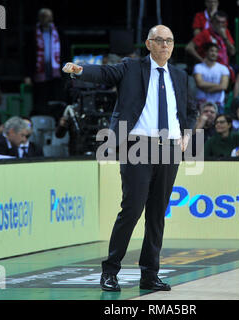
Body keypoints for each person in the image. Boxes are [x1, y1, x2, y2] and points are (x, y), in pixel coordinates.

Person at [62, 25, 191, 292]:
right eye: (159, 40)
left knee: (157, 214)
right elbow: (105, 73)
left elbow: (185, 108)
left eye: (169, 40)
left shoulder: (179, 75)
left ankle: (150, 274)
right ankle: (110, 271)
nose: (165, 45)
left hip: (168, 148)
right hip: (137, 146)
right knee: (132, 209)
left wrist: (186, 132)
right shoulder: (131, 68)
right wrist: (79, 69)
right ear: (148, 44)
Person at [26, 8, 63, 116]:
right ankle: (40, 122)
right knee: (40, 100)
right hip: (39, 73)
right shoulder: (33, 33)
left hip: (55, 73)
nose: (44, 19)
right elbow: (28, 55)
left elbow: (65, 52)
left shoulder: (58, 32)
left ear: (51, 18)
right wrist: (28, 74)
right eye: (42, 16)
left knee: (55, 100)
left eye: (47, 16)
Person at [193, 43, 230, 114]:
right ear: (206, 52)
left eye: (216, 51)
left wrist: (206, 88)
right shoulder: (198, 67)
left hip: (218, 104)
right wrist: (218, 85)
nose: (214, 53)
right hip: (201, 104)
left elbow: (224, 86)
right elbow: (199, 83)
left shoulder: (223, 68)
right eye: (211, 51)